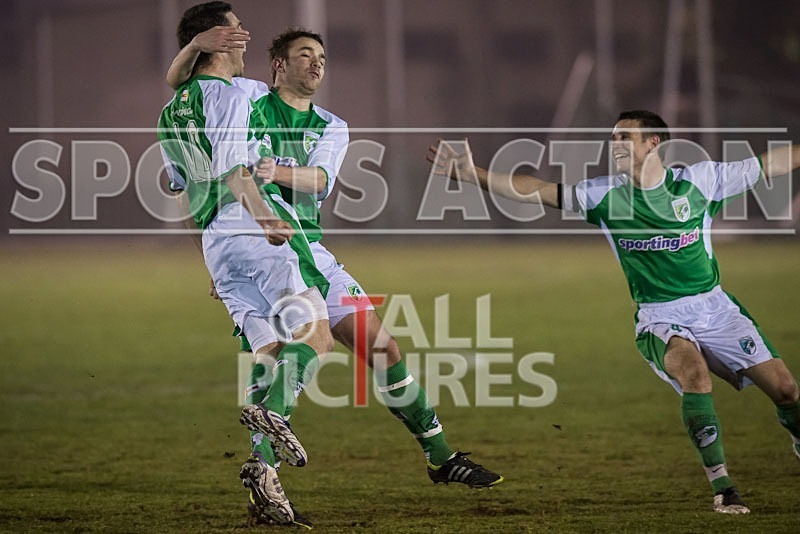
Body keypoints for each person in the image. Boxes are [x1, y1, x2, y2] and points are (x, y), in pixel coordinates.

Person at [166, 24, 504, 523]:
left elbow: (319, 180)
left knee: (383, 347)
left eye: (321, 56)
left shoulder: (330, 125)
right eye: (305, 54)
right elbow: (185, 92)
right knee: (274, 355)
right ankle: (262, 471)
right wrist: (197, 48)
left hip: (308, 248)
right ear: (277, 64)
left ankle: (442, 457)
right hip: (259, 242)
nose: (317, 63)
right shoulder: (245, 98)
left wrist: (266, 171)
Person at [428, 109, 800, 515]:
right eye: (613, 137)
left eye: (625, 136)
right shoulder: (605, 195)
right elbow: (535, 189)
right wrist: (474, 175)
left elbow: (773, 164)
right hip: (660, 316)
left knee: (786, 390)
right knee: (694, 375)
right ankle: (724, 488)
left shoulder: (702, 180)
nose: (615, 143)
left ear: (652, 142)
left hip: (715, 307)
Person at [158, 2, 336, 525]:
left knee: (270, 350)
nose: (244, 35)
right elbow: (235, 168)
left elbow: (185, 195)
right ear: (215, 40)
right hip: (250, 226)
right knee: (316, 337)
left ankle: (264, 475)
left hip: (217, 241)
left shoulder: (173, 110)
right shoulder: (231, 96)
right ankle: (273, 414)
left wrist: (209, 267)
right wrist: (264, 217)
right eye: (234, 29)